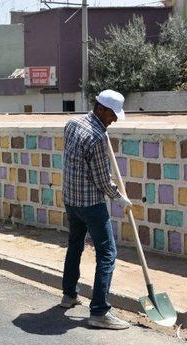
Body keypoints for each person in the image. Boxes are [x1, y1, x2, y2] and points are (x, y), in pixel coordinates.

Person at [59, 89, 133, 330]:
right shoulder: (97, 137)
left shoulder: (72, 123)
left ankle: (69, 295)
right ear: (100, 109)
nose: (113, 120)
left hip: (71, 199)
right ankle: (99, 311)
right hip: (91, 204)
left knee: (75, 244)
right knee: (107, 254)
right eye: (112, 115)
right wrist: (120, 199)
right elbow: (102, 179)